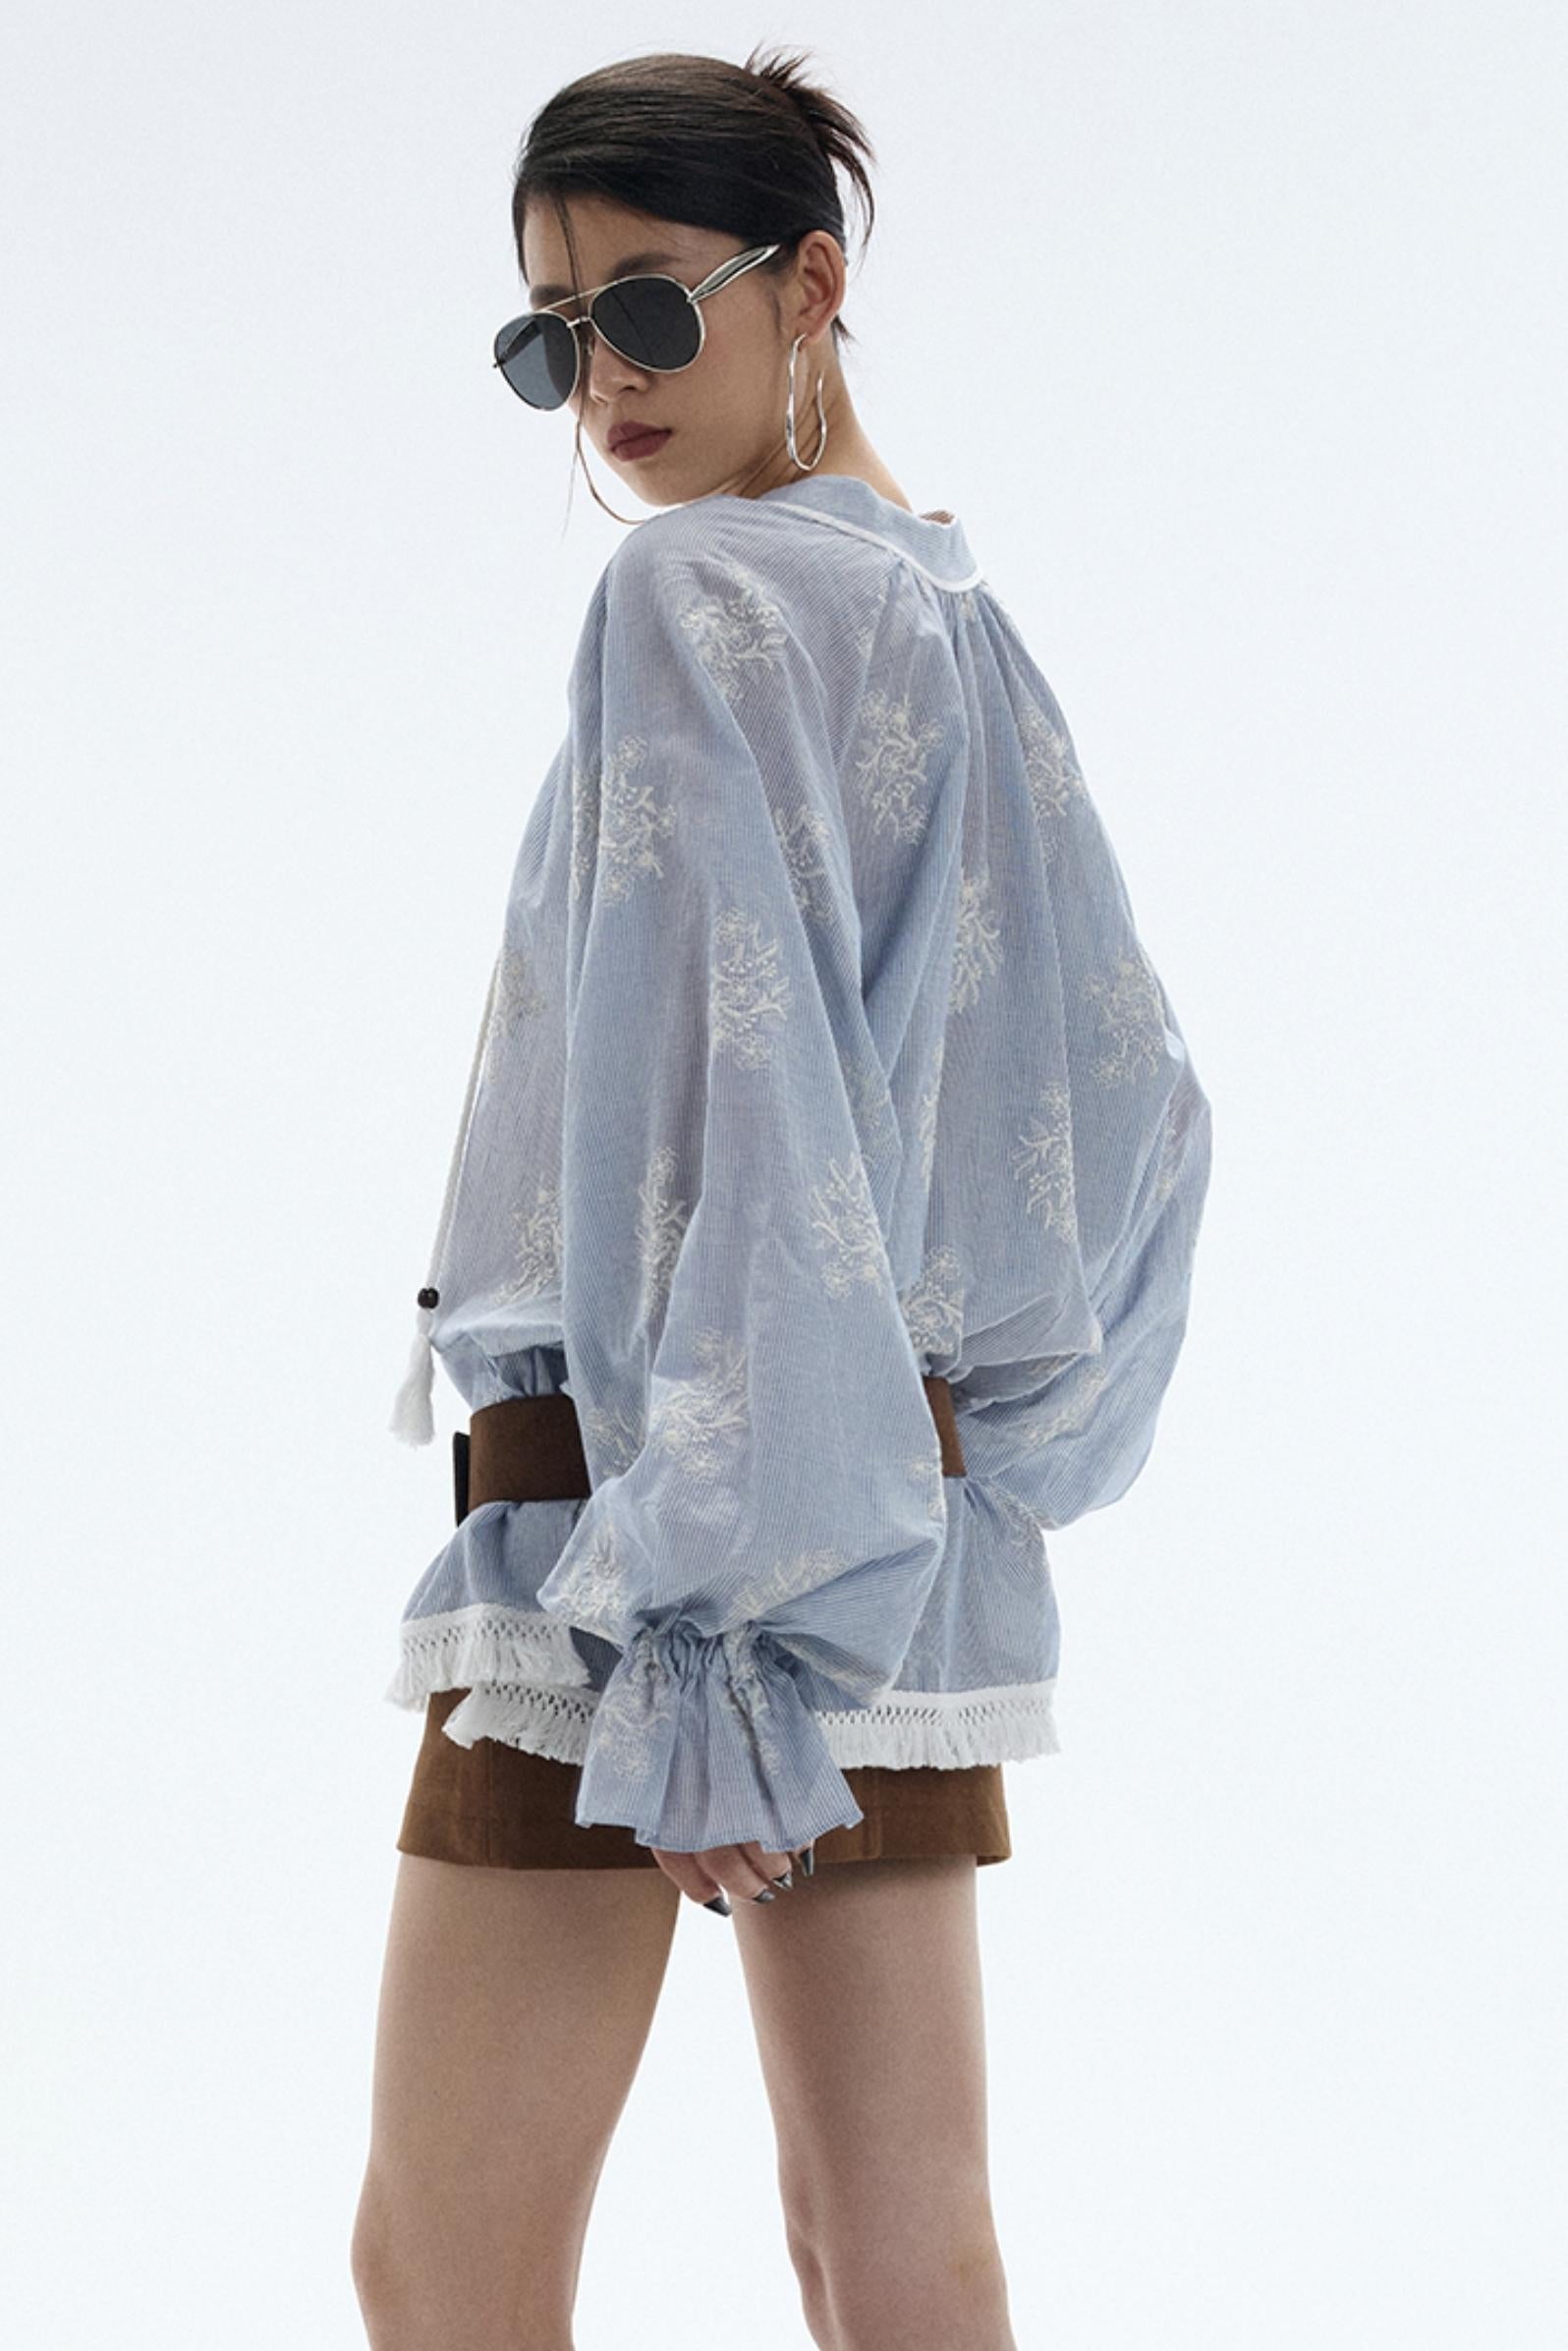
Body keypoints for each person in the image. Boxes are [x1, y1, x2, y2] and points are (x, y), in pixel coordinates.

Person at [352, 44, 1213, 2351]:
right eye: (552, 336)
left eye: (647, 309)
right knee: (894, 2253)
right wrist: (972, 1465)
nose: (601, 388)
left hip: (648, 1541)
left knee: (443, 2260)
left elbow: (730, 1110)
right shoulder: (956, 618)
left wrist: (721, 1614)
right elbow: (1138, 1113)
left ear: (809, 283)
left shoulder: (698, 598)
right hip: (894, 1528)